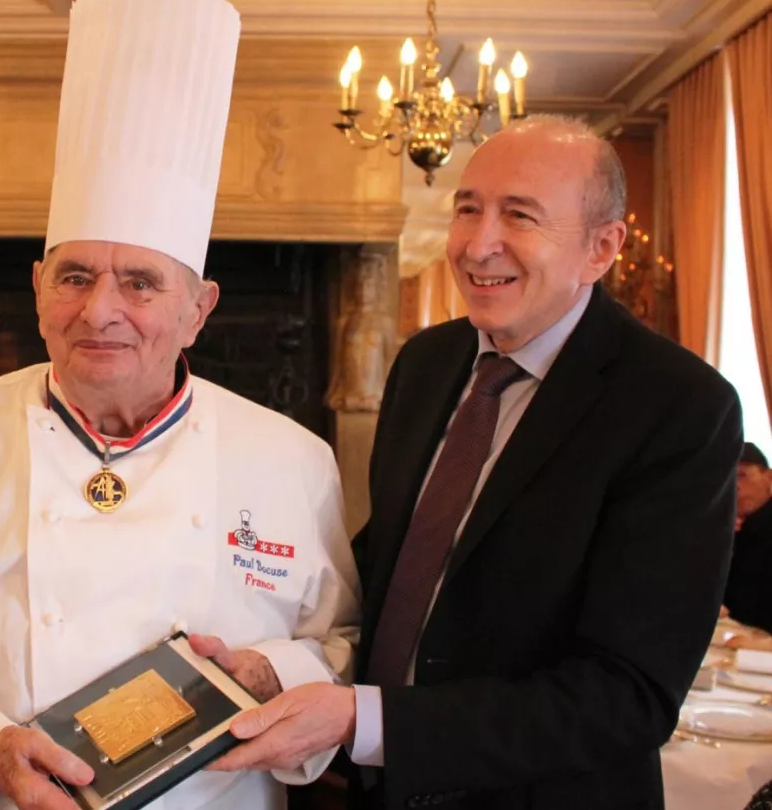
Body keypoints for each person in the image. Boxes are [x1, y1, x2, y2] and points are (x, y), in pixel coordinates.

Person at [0, 0, 360, 810]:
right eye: (74, 275)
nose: (101, 309)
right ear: (36, 288)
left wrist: (268, 668)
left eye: (140, 282)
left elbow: (339, 643)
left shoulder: (295, 460)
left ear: (198, 309)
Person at [210, 115, 742, 810]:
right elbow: (390, 568)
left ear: (601, 248)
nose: (476, 243)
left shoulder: (679, 407)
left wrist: (366, 721)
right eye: (468, 209)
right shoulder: (427, 363)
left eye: (519, 215)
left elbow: (626, 695)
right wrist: (273, 659)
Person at [723, 442, 772, 632]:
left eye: (742, 475)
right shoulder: (727, 528)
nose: (734, 485)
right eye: (727, 478)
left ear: (768, 476)